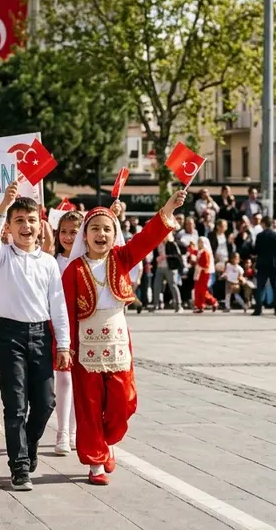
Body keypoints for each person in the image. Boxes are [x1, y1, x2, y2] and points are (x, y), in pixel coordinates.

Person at [61, 190, 183, 485]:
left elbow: (147, 238)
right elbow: (65, 311)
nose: (101, 234)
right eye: (94, 228)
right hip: (85, 346)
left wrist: (168, 208)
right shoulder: (73, 269)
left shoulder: (121, 258)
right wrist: (65, 347)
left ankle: (107, 440)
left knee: (124, 400)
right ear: (85, 235)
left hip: (117, 343)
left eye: (107, 229)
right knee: (89, 406)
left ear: (114, 234)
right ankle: (96, 462)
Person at [0, 181, 68, 492]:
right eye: (19, 220)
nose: (26, 226)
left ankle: (29, 444)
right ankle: (19, 466)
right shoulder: (2, 255)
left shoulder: (48, 262)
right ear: (9, 227)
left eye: (31, 220)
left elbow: (58, 305)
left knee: (45, 403)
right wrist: (3, 205)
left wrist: (64, 344)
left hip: (41, 335)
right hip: (9, 335)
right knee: (16, 405)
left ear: (40, 225)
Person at [52, 210, 84, 454]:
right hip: (59, 326)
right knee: (63, 379)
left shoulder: (86, 261)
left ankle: (73, 431)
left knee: (78, 381)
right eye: (63, 231)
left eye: (74, 232)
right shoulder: (52, 261)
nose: (68, 237)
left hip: (84, 326)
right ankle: (62, 431)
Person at [253, 223, 276, 316]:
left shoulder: (259, 236)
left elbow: (256, 250)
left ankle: (258, 308)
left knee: (260, 286)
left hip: (262, 263)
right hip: (274, 263)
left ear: (264, 224)